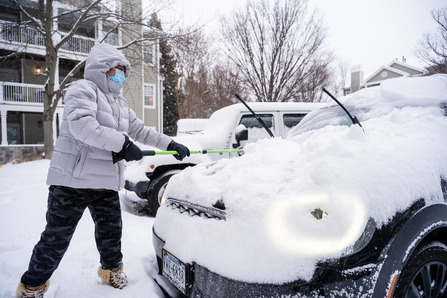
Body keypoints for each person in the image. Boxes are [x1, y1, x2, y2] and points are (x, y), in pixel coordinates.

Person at [16, 43, 190, 298]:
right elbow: (81, 126)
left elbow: (140, 130)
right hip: (72, 182)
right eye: (115, 69)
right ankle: (33, 285)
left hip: (105, 182)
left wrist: (170, 143)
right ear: (101, 68)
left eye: (123, 70)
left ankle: (112, 271)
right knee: (56, 238)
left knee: (111, 233)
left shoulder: (119, 103)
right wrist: (123, 144)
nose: (120, 75)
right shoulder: (82, 90)